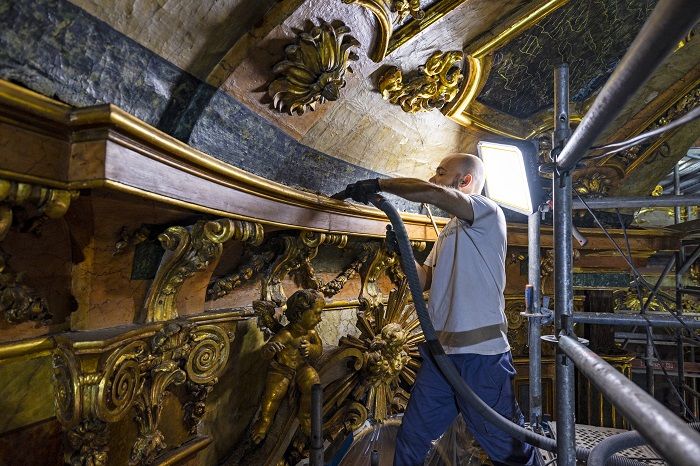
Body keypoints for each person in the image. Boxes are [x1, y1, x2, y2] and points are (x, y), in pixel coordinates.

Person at [337, 153, 541, 466]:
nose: (434, 178)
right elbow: (426, 279)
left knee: (509, 449)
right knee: (411, 439)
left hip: (481, 357)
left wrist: (378, 184)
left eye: (441, 172)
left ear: (466, 181)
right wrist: (403, 252)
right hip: (441, 355)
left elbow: (433, 193)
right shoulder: (449, 230)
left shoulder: (487, 213)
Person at [251, 289, 325, 444]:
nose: (320, 319)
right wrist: (269, 350)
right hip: (281, 370)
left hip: (302, 368)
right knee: (272, 397)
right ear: (299, 314)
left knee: (313, 384)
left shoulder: (311, 333)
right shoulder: (286, 335)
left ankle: (305, 416)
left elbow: (319, 349)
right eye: (317, 313)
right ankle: (264, 423)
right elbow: (266, 351)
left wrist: (312, 349)